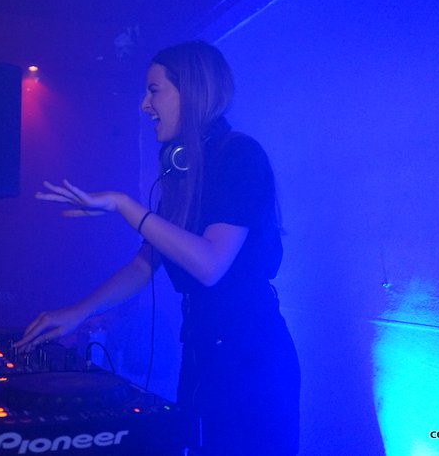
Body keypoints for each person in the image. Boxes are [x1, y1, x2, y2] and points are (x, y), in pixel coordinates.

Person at [15, 41, 300, 456]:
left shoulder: (240, 156)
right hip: (202, 350)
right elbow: (143, 265)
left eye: (154, 90)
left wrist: (124, 205)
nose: (144, 105)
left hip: (251, 359)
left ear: (192, 91)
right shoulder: (184, 173)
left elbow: (210, 265)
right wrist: (80, 311)